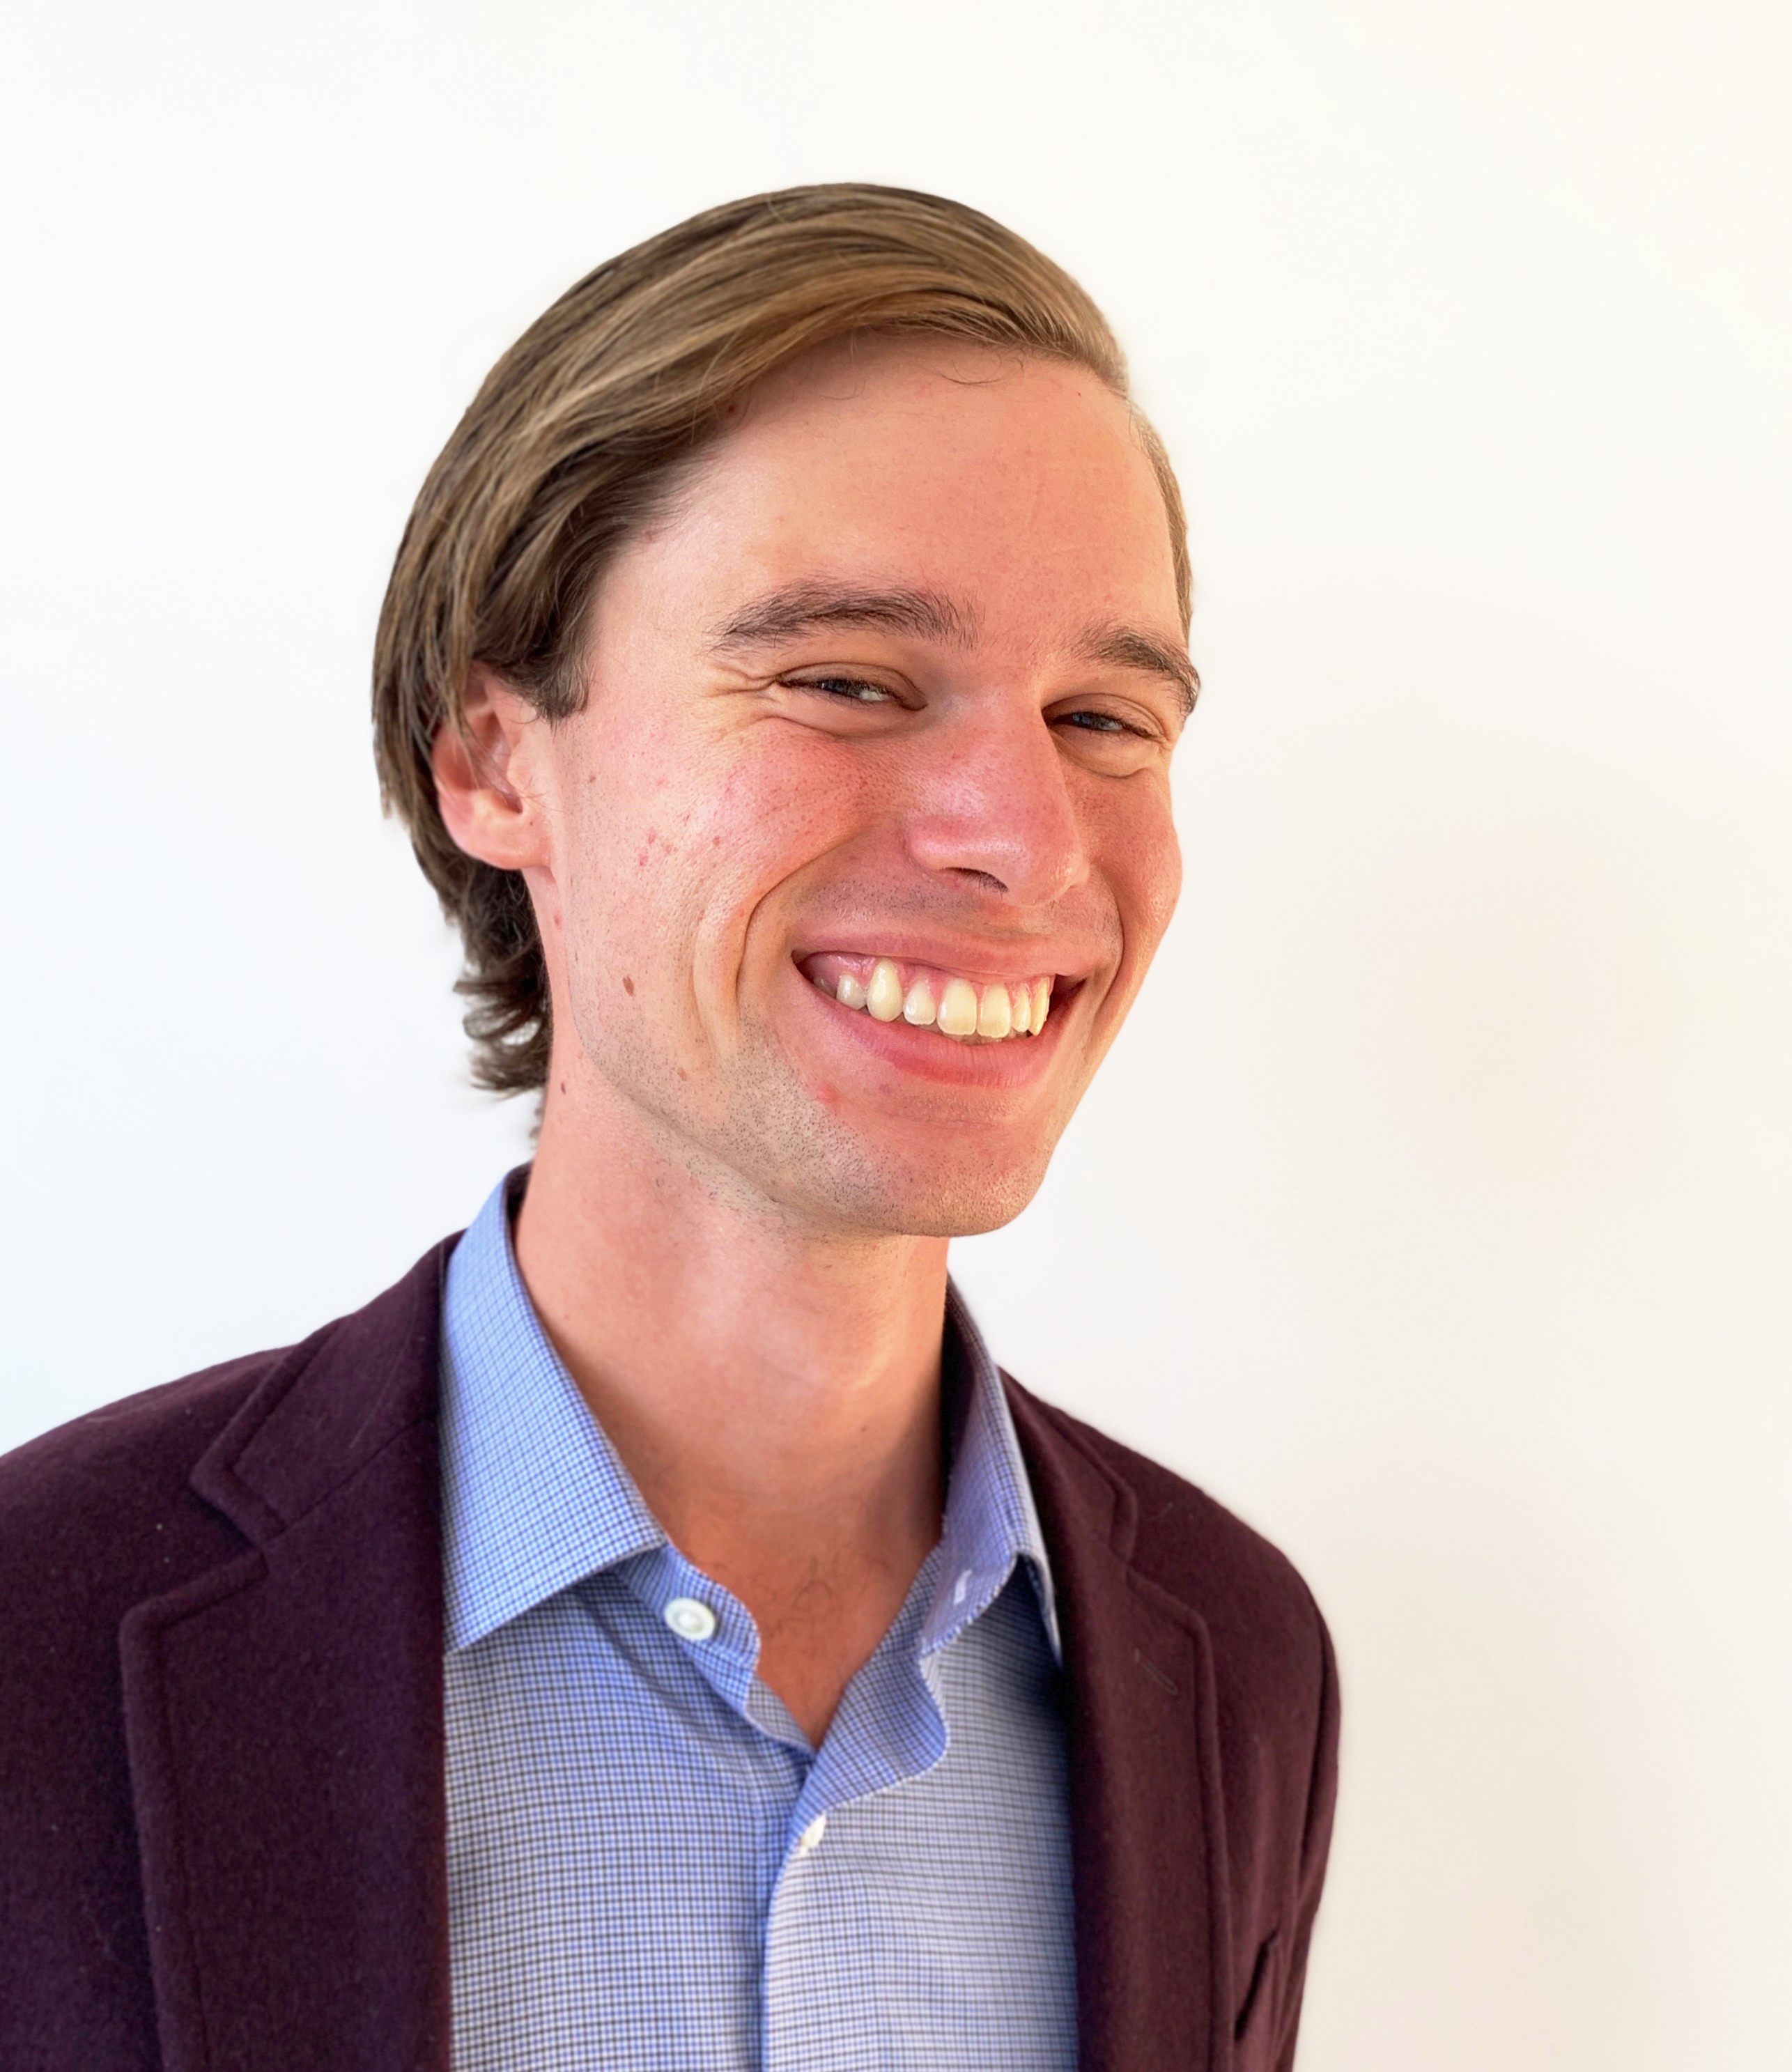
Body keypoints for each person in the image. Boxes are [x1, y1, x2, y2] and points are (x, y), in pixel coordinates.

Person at [0, 185, 1337, 2071]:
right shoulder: (43, 1632)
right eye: (846, 682)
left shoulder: (1231, 1657)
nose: (1024, 839)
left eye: (1106, 719)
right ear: (494, 759)